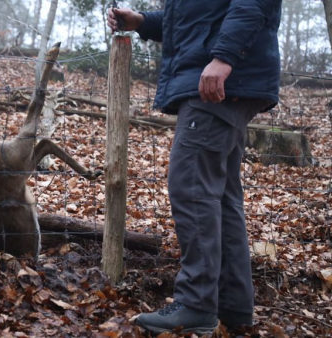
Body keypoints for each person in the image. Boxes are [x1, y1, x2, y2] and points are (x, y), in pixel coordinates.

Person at [108, 1, 281, 335]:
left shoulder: (224, 60)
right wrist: (142, 22)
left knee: (192, 186)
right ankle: (232, 305)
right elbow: (195, 18)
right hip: (225, 80)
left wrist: (224, 57)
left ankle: (197, 304)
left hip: (221, 80)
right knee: (221, 196)